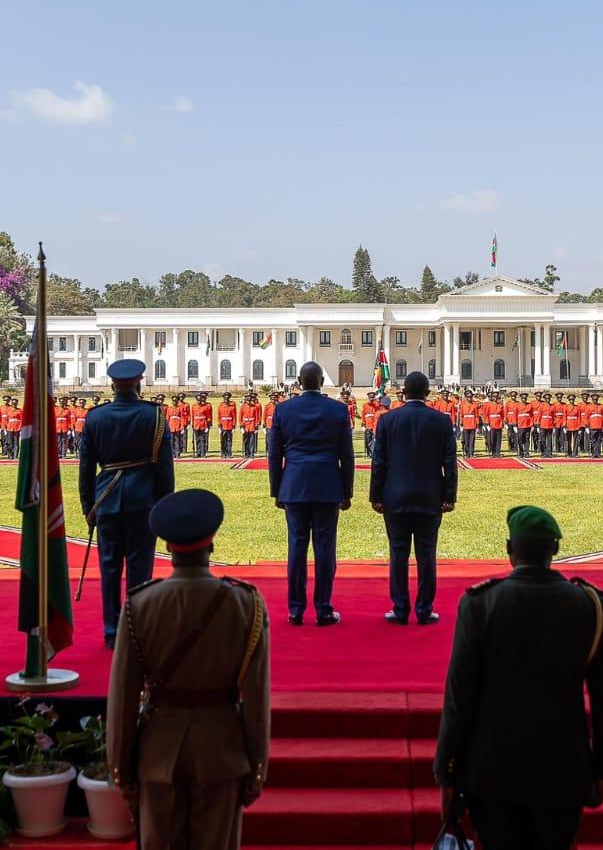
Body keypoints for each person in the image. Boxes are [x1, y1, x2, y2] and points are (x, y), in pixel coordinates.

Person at [435, 505, 603, 848]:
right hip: (563, 769)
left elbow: (460, 701)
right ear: (555, 550)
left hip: (492, 772)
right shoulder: (590, 605)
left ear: (509, 549)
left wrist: (447, 773)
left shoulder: (480, 604)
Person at [108, 489, 270, 850]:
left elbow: (122, 697)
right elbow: (257, 698)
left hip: (158, 750)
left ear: (167, 546)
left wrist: (121, 766)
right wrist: (257, 766)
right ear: (211, 543)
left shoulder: (140, 604)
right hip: (222, 750)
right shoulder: (246, 604)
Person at [79, 359, 176, 649]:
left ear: (112, 385)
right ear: (139, 383)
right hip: (142, 501)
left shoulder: (95, 417)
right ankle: (138, 629)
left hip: (106, 501)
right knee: (140, 568)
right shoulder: (155, 416)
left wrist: (88, 507)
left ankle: (111, 632)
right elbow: (165, 470)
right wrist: (163, 505)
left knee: (109, 569)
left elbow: (86, 468)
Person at [267, 362, 354, 627]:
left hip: (294, 485)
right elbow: (346, 455)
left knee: (297, 547)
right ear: (321, 380)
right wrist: (347, 490)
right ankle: (324, 609)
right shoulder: (338, 410)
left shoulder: (283, 410)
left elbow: (275, 455)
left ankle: (295, 610)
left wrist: (277, 490)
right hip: (328, 485)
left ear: (299, 381)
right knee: (325, 549)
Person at [370, 371, 457, 625]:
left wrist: (375, 496)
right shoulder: (441, 421)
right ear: (427, 393)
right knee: (426, 554)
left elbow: (379, 463)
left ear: (404, 393)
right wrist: (449, 496)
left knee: (398, 554)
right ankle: (424, 609)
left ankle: (400, 609)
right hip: (431, 496)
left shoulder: (388, 420)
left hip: (395, 497)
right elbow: (450, 463)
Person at [217, 393, 237, 458]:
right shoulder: (220, 406)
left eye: (227, 398)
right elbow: (219, 417)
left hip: (229, 426)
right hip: (223, 426)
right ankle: (223, 453)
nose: (226, 400)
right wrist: (219, 426)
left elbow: (234, 416)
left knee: (229, 441)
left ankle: (229, 453)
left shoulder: (232, 407)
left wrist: (234, 426)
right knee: (222, 441)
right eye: (225, 398)